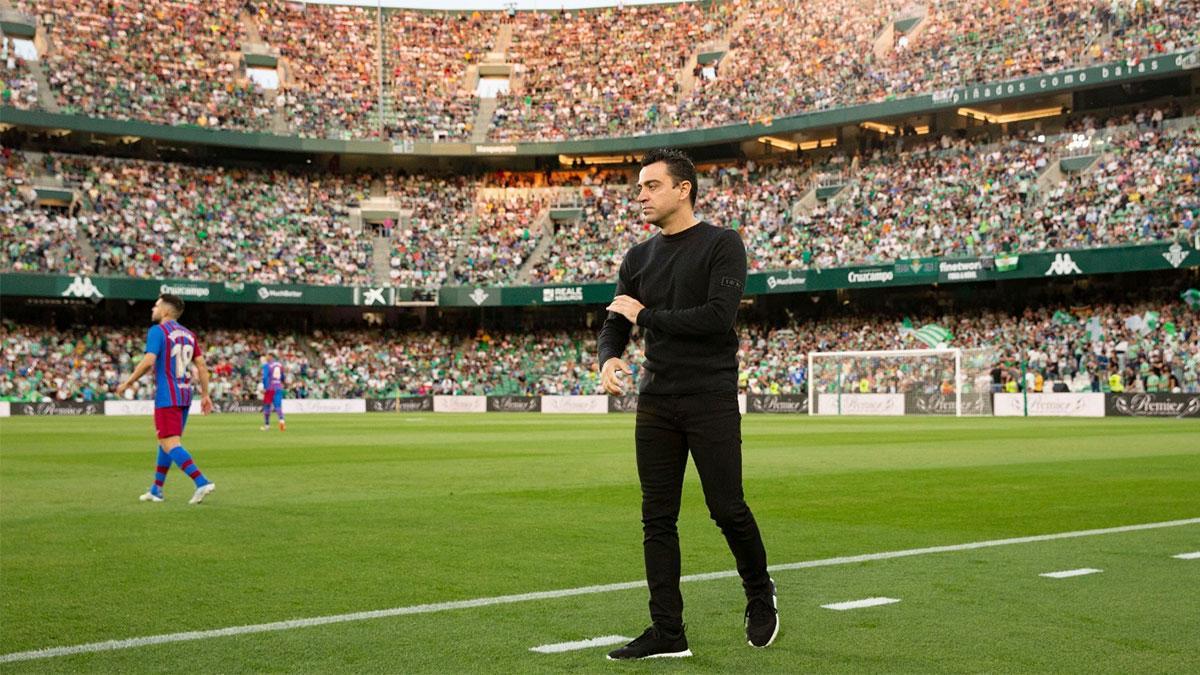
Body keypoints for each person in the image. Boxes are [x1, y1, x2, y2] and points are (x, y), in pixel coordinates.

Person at [597, 148, 776, 660]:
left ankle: (760, 592)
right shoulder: (637, 257)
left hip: (709, 396)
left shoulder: (723, 244)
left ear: (683, 189)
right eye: (639, 187)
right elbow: (616, 322)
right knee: (657, 518)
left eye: (651, 186)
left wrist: (646, 315)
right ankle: (668, 632)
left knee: (726, 508)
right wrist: (608, 359)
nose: (641, 195)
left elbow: (717, 318)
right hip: (656, 400)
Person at [116, 294, 216, 504]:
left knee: (170, 443)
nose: (153, 309)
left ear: (166, 312)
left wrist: (128, 382)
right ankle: (156, 489)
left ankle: (201, 481)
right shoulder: (189, 334)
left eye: (156, 305)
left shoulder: (157, 331)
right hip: (185, 394)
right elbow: (202, 367)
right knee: (165, 442)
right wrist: (205, 395)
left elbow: (148, 360)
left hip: (167, 395)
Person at [261, 353, 287, 431]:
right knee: (278, 406)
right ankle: (282, 422)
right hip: (278, 387)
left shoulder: (267, 365)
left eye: (267, 356)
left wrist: (265, 387)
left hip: (270, 388)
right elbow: (283, 376)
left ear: (271, 357)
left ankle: (267, 425)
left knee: (267, 406)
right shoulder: (280, 365)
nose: (266, 358)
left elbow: (265, 377)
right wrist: (281, 382)